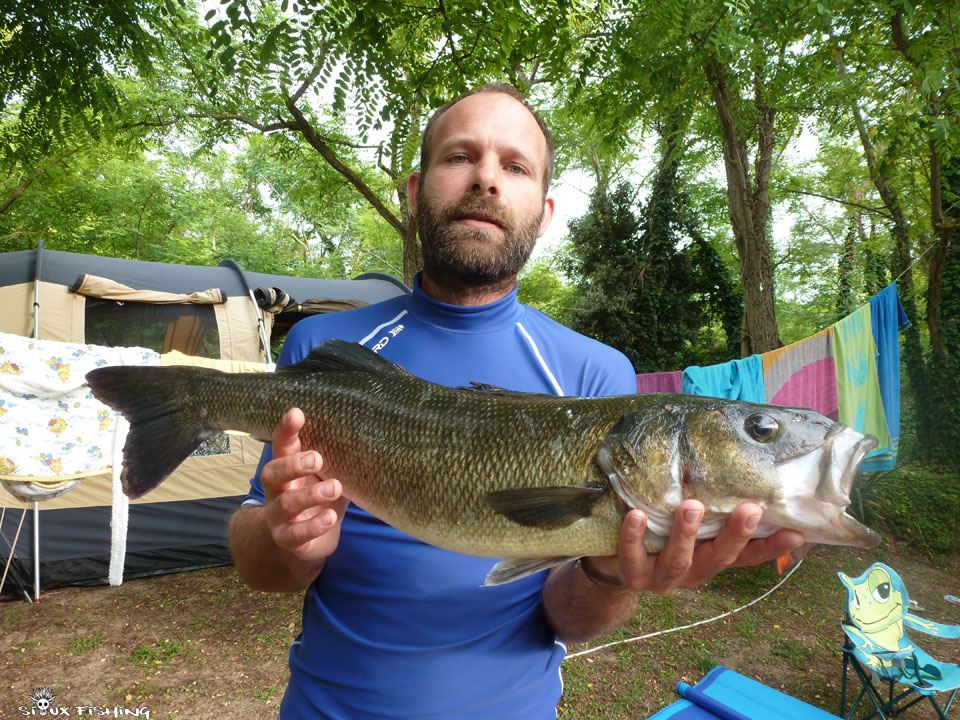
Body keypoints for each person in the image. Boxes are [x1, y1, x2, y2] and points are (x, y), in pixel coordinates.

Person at [228, 83, 804, 719]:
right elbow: (265, 568)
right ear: (416, 192)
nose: (486, 181)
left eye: (516, 166)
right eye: (460, 157)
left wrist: (610, 572)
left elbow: (571, 620)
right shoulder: (324, 343)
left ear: (545, 212)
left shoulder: (598, 374)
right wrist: (288, 541)